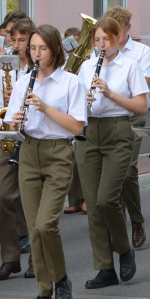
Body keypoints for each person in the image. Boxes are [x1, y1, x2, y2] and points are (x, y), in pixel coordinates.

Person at [6, 24, 87, 299]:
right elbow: (12, 124)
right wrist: (15, 121)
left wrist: (44, 108)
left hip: (58, 153)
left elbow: (77, 126)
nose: (36, 54)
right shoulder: (23, 81)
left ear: (55, 50)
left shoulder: (70, 83)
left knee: (45, 224)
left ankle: (61, 278)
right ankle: (43, 290)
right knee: (32, 227)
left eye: (42, 48)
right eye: (33, 49)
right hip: (29, 151)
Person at [77, 16, 149, 289]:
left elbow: (141, 107)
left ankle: (124, 250)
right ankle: (105, 267)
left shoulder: (130, 66)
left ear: (118, 37)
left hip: (118, 130)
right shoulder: (85, 67)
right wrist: (79, 102)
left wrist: (109, 94)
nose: (101, 45)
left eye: (105, 39)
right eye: (97, 40)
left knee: (108, 199)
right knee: (93, 206)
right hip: (89, 132)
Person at [104, 6, 150, 250]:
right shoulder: (100, 52)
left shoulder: (142, 52)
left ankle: (136, 221)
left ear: (128, 29)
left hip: (132, 118)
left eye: (118, 31)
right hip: (105, 119)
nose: (114, 37)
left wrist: (112, 91)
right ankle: (116, 218)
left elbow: (141, 90)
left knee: (127, 171)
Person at [0, 18, 34, 280]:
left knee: (30, 200)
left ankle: (36, 260)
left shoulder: (41, 69)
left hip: (34, 138)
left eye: (21, 40)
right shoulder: (5, 69)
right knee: (3, 196)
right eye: (12, 40)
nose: (16, 46)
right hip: (9, 137)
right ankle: (10, 258)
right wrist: (5, 118)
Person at [63, 26, 87, 215]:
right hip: (67, 112)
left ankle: (87, 198)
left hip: (82, 112)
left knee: (83, 159)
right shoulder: (62, 62)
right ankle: (74, 200)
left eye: (75, 42)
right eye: (69, 42)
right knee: (71, 160)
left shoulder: (87, 60)